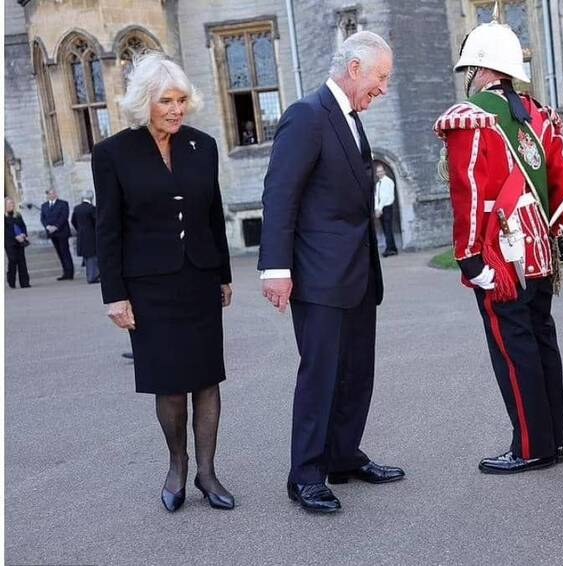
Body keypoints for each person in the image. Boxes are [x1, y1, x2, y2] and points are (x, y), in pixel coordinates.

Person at [258, 31, 404, 514]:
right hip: (319, 276)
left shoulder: (351, 117)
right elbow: (280, 195)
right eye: (380, 77)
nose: (383, 88)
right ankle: (305, 476)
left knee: (357, 371)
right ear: (355, 68)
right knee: (321, 374)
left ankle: (343, 455)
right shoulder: (307, 115)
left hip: (358, 274)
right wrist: (275, 268)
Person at [433, 17, 563, 474]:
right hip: (538, 248)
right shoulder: (539, 113)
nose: (468, 79)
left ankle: (531, 446)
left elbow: (469, 190)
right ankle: (554, 440)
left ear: (480, 68)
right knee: (540, 339)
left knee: (513, 347)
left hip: (500, 252)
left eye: (469, 70)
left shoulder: (472, 114)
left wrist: (470, 255)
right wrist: (556, 236)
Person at [92, 52, 234, 512]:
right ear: (143, 102)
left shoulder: (203, 145)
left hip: (199, 279)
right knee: (170, 385)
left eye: (182, 100)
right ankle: (177, 466)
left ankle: (208, 474)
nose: (177, 110)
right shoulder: (112, 153)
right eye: (166, 101)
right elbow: (108, 229)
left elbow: (213, 216)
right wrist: (114, 295)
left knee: (207, 381)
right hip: (149, 286)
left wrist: (224, 276)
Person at [40, 189, 74, 280]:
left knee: (65, 252)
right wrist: (47, 226)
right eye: (49, 194)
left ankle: (70, 272)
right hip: (52, 233)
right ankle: (65, 272)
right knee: (59, 252)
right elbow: (43, 218)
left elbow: (64, 216)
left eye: (53, 193)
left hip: (62, 232)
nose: (52, 195)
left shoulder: (63, 204)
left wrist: (56, 226)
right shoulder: (44, 206)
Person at [71, 190, 100, 284]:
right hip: (91, 235)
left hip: (81, 235)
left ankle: (90, 275)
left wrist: (79, 230)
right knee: (93, 257)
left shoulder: (77, 208)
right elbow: (96, 222)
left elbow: (73, 221)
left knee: (87, 258)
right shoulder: (92, 208)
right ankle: (93, 276)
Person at [5, 196, 31, 289]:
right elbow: (5, 230)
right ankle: (11, 281)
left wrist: (24, 234)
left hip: (20, 241)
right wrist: (15, 236)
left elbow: (23, 226)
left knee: (22, 261)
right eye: (9, 203)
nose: (11, 205)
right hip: (10, 242)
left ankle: (25, 283)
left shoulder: (18, 215)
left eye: (12, 203)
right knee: (12, 260)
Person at [374, 163, 398, 256]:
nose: (379, 173)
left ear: (384, 171)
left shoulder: (388, 181)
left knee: (388, 228)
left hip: (387, 207)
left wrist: (379, 209)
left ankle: (390, 249)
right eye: (378, 172)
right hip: (380, 208)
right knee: (385, 228)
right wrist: (376, 208)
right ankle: (393, 248)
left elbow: (384, 197)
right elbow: (377, 197)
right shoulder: (378, 183)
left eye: (381, 171)